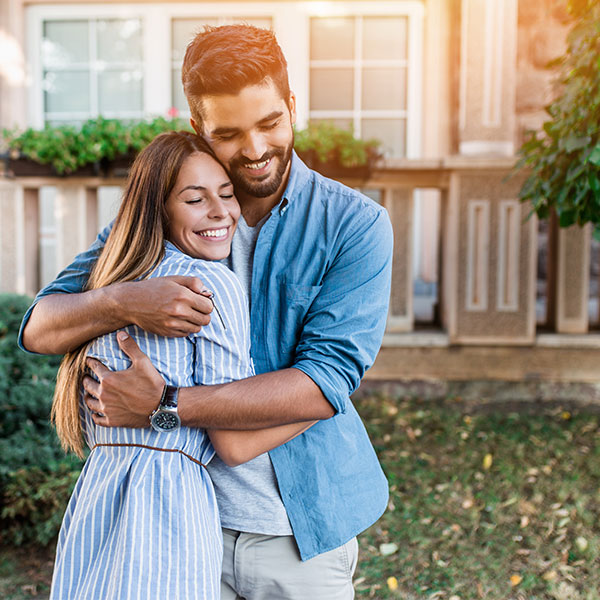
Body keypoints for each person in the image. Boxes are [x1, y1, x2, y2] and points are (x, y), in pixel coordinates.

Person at [20, 24, 394, 600]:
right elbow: (41, 327)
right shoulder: (163, 213)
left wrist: (164, 407)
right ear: (199, 129)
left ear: (292, 105)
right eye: (228, 133)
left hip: (300, 530)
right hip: (181, 522)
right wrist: (124, 300)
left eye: (270, 122)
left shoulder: (353, 225)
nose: (254, 149)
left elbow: (326, 383)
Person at [47, 131, 315, 600]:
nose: (220, 212)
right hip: (170, 505)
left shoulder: (104, 282)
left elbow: (41, 327)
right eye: (195, 199)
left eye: (227, 194)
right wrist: (323, 400)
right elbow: (231, 443)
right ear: (160, 209)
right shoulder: (209, 284)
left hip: (98, 494)